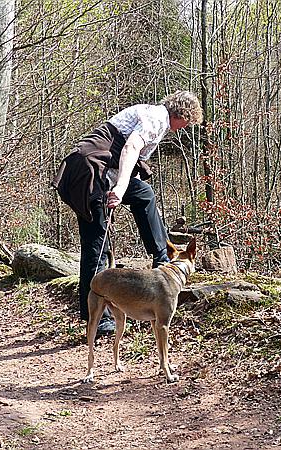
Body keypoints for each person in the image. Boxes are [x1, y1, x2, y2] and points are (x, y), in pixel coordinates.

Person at [52, 91, 203, 335]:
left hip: (97, 170)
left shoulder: (152, 114)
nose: (185, 127)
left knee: (143, 194)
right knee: (96, 243)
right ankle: (97, 318)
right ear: (181, 114)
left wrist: (122, 184)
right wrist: (120, 188)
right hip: (90, 173)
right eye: (187, 122)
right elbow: (131, 147)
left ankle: (162, 257)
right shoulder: (157, 117)